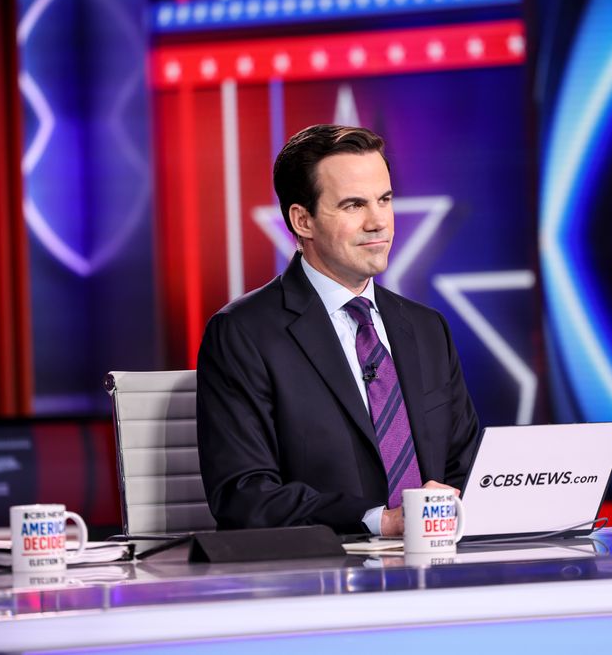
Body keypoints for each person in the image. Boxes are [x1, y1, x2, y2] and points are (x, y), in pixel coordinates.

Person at [197, 124, 480, 536]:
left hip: (439, 565)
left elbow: (464, 467)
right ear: (303, 220)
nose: (378, 222)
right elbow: (244, 494)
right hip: (322, 580)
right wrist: (380, 521)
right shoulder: (243, 334)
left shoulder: (426, 328)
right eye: (353, 206)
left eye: (384, 200)